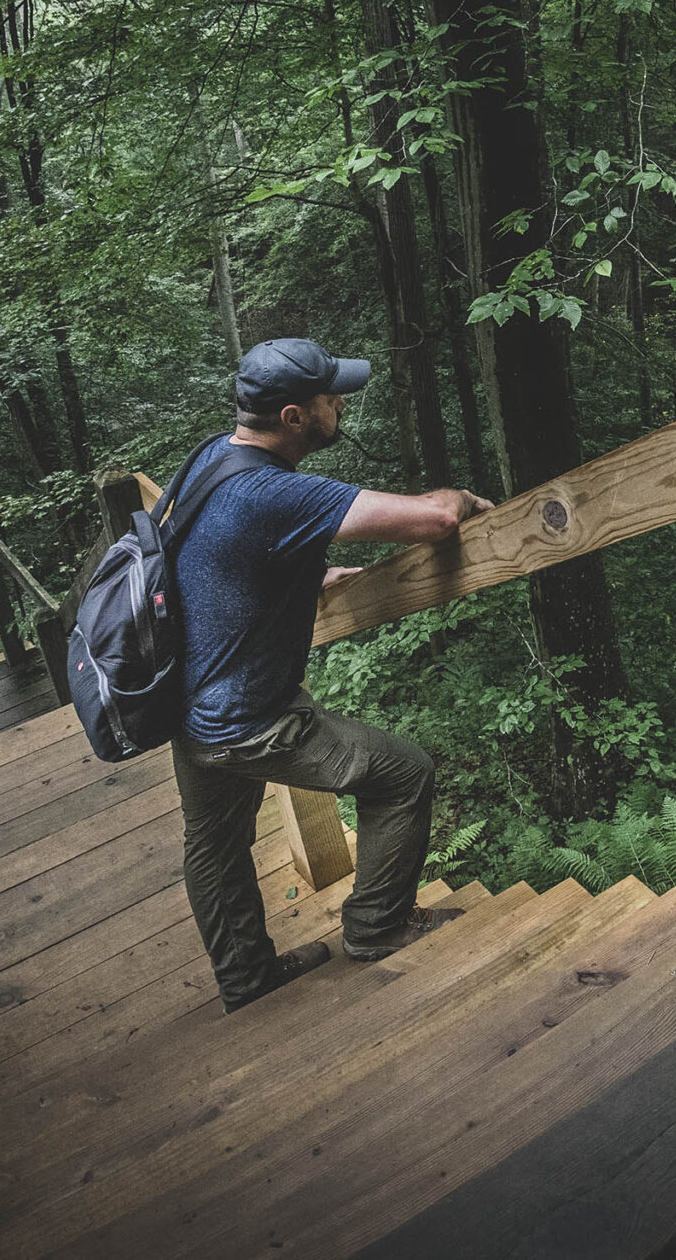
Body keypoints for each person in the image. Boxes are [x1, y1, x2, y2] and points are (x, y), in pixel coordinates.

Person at [170, 335, 491, 1012]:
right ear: (293, 418)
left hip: (187, 704)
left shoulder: (211, 459)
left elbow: (210, 553)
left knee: (214, 844)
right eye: (327, 396)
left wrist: (305, 571)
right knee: (403, 774)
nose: (339, 402)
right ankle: (377, 928)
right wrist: (460, 496)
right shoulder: (272, 492)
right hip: (249, 718)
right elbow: (432, 519)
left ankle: (247, 980)